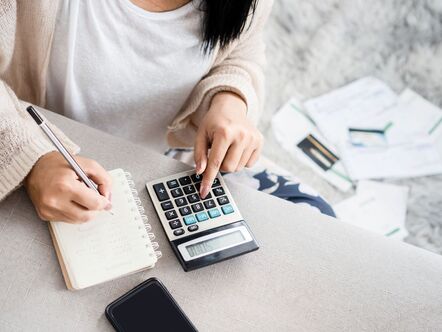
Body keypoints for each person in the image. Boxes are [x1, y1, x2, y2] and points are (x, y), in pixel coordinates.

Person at [0, 0, 334, 224]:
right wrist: (32, 161)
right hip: (38, 152)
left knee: (316, 222)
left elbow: (242, 49)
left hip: (170, 162)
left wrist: (229, 99)